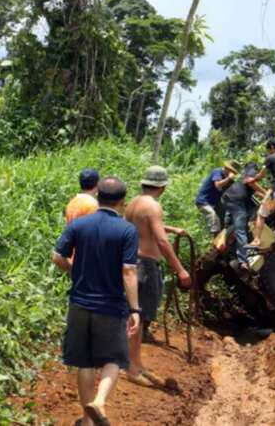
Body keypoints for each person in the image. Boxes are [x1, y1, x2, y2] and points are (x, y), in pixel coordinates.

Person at [51, 176, 140, 426]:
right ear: (122, 201)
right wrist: (134, 308)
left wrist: (72, 270)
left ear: (97, 196)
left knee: (84, 361)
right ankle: (99, 402)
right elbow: (128, 271)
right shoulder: (126, 230)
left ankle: (86, 421)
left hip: (79, 303)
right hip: (110, 306)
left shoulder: (79, 225)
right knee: (115, 358)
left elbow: (57, 256)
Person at [124, 165, 191, 385]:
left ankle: (136, 363)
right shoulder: (153, 206)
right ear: (162, 187)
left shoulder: (134, 203)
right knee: (139, 318)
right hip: (146, 265)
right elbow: (161, 241)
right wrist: (180, 270)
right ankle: (132, 369)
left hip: (131, 262)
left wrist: (172, 229)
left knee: (135, 315)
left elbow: (146, 226)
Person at [221, 162, 266, 271]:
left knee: (234, 227)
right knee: (241, 229)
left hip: (228, 199)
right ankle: (243, 261)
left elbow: (255, 191)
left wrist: (266, 195)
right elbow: (251, 183)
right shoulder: (252, 171)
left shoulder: (243, 176)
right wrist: (266, 192)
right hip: (235, 201)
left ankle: (226, 250)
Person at [194, 161, 241, 236]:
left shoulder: (229, 180)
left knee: (222, 216)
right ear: (226, 168)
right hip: (203, 201)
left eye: (233, 172)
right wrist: (229, 178)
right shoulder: (217, 172)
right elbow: (218, 185)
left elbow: (236, 190)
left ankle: (221, 236)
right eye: (229, 170)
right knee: (213, 216)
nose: (230, 172)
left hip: (215, 202)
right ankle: (216, 235)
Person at [64, 169, 100, 265]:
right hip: (87, 258)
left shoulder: (72, 203)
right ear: (97, 184)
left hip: (72, 256)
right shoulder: (94, 205)